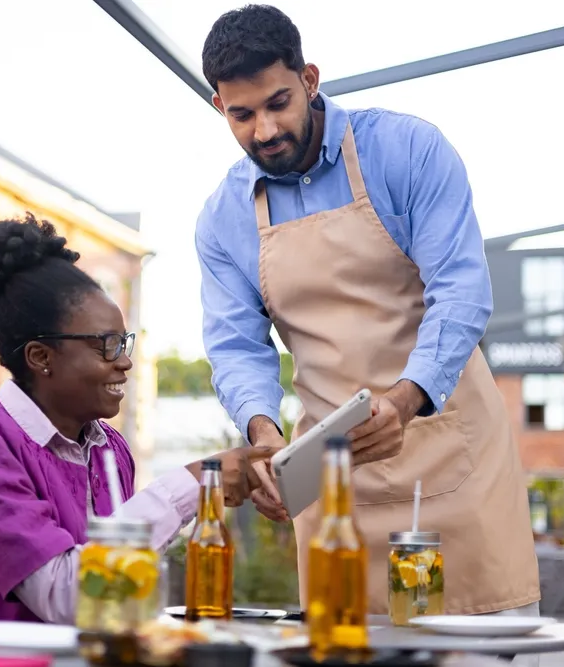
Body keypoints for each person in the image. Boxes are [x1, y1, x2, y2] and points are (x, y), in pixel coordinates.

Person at [195, 4, 540, 625]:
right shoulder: (222, 218)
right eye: (242, 115)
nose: (265, 129)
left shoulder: (406, 150)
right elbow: (236, 348)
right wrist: (265, 439)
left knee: (468, 646)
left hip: (448, 456)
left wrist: (407, 400)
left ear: (310, 79)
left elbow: (460, 290)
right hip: (332, 487)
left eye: (279, 103)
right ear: (220, 108)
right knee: (344, 643)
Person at [0, 217, 275, 637]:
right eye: (106, 345)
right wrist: (192, 485)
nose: (123, 361)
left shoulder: (109, 449)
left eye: (124, 343)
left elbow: (119, 588)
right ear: (41, 357)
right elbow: (68, 595)